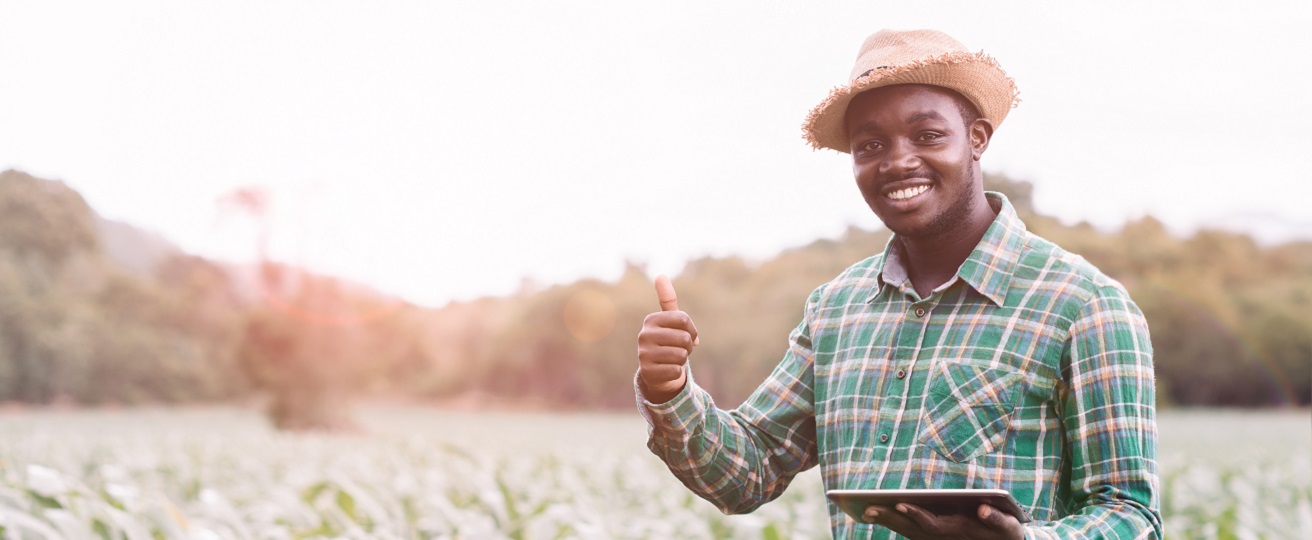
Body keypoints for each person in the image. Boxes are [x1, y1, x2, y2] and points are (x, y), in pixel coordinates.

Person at [634, 29, 1161, 539]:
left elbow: (1131, 516)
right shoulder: (836, 309)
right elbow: (747, 473)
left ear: (977, 139)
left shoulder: (1085, 306)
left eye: (929, 135)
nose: (898, 161)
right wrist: (670, 389)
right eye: (870, 145)